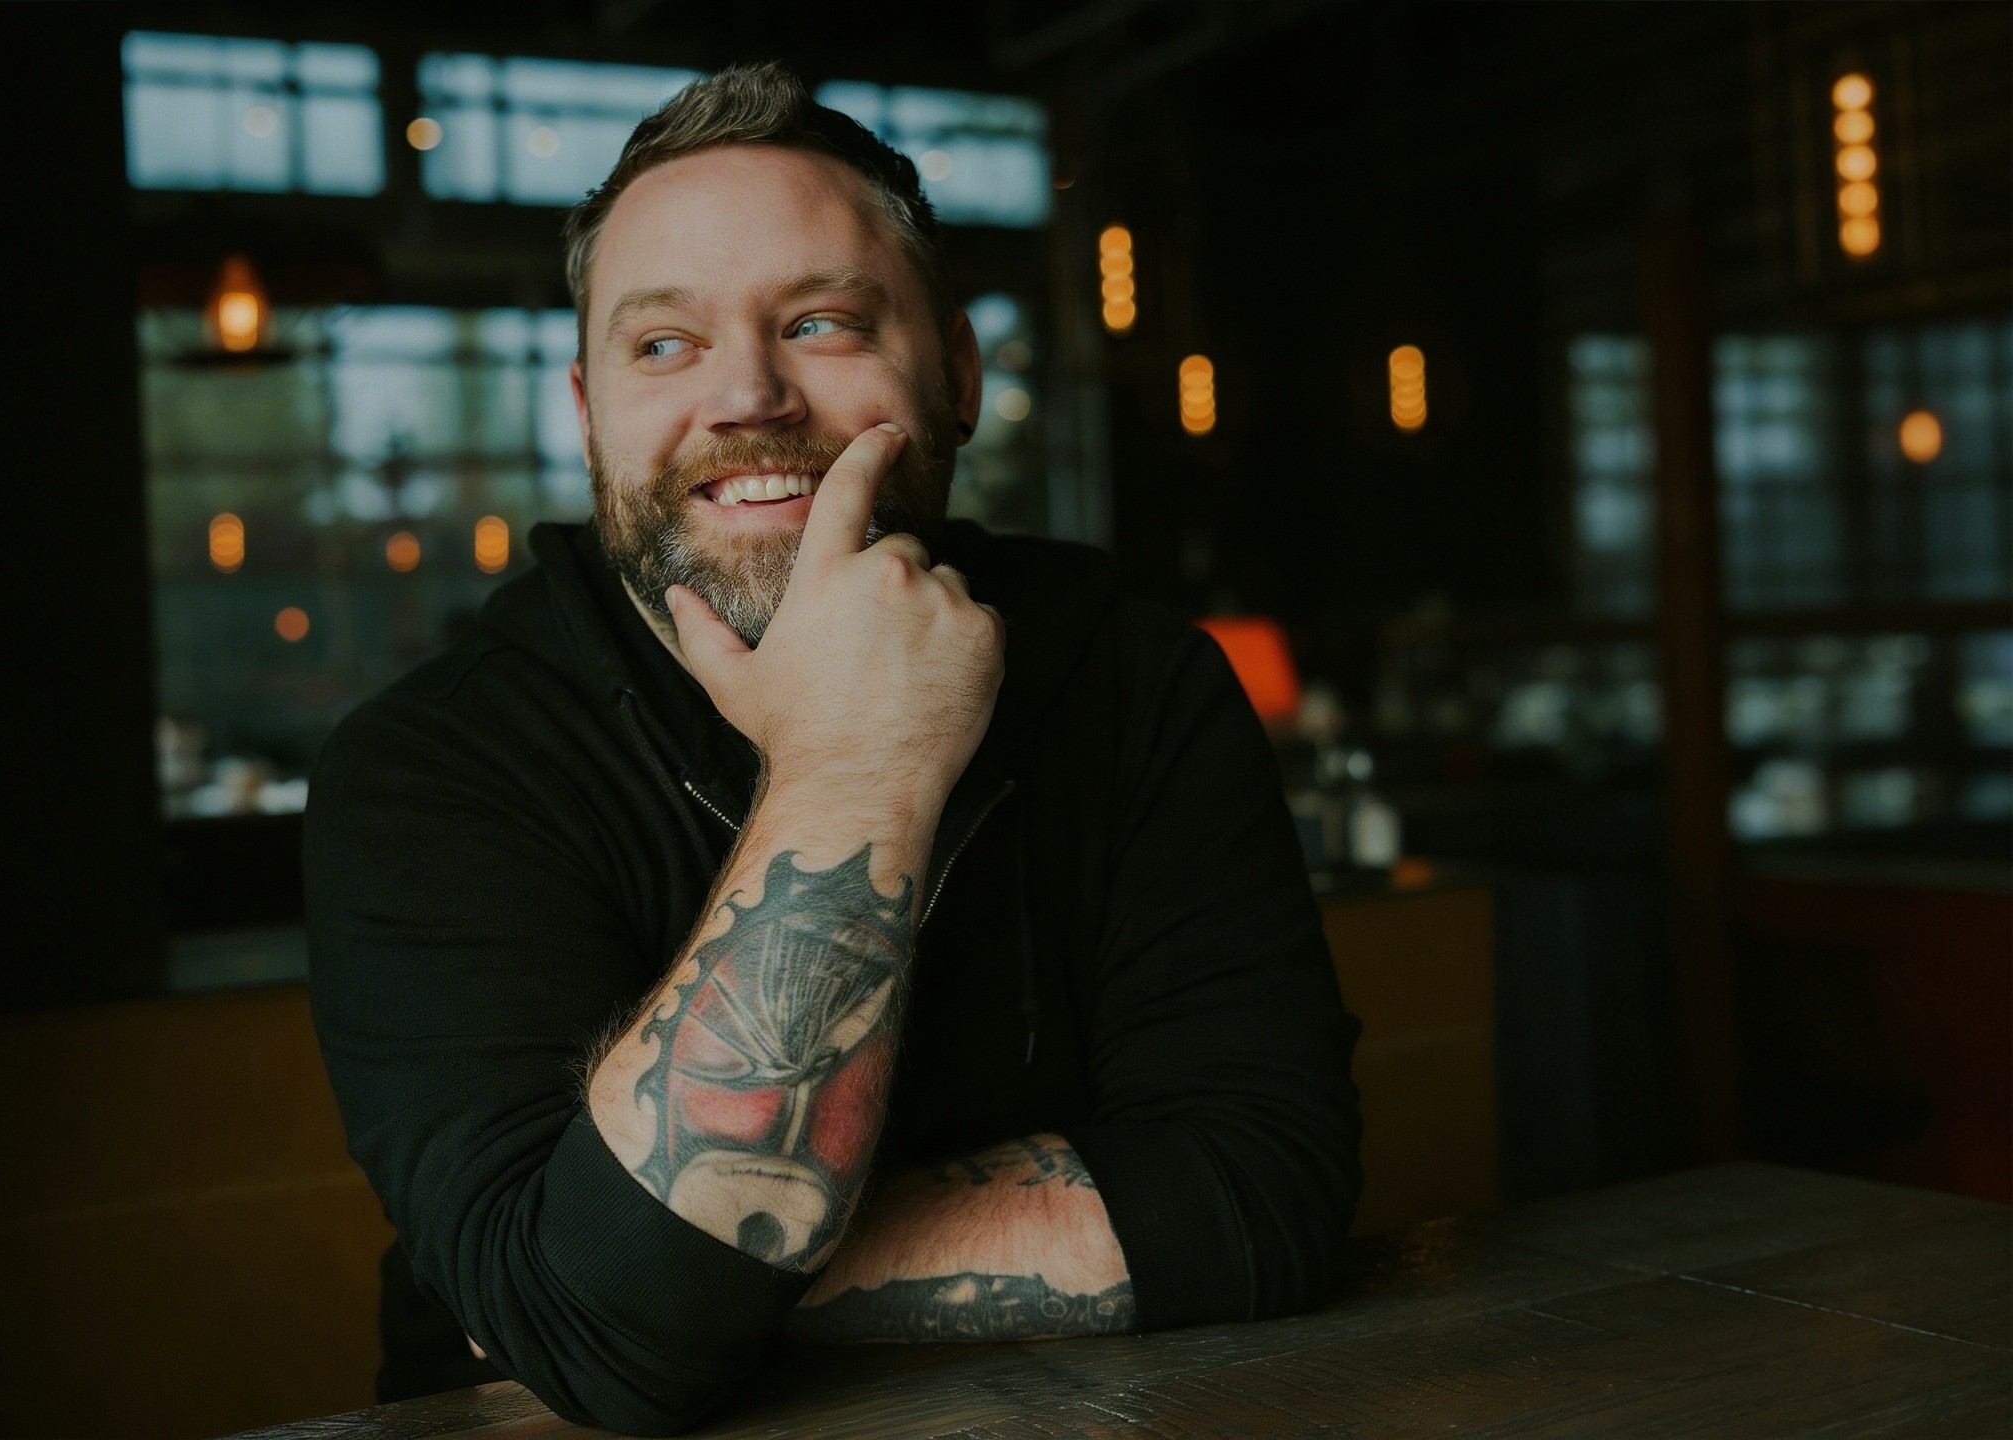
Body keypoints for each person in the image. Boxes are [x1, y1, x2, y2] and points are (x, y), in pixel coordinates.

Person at [304, 63, 1361, 1435]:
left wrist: (664, 1273)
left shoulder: (1129, 671)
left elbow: (1263, 1198)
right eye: (664, 344)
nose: (747, 396)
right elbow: (596, 1333)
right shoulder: (430, 771)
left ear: (960, 370)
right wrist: (859, 764)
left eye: (819, 321)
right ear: (586, 411)